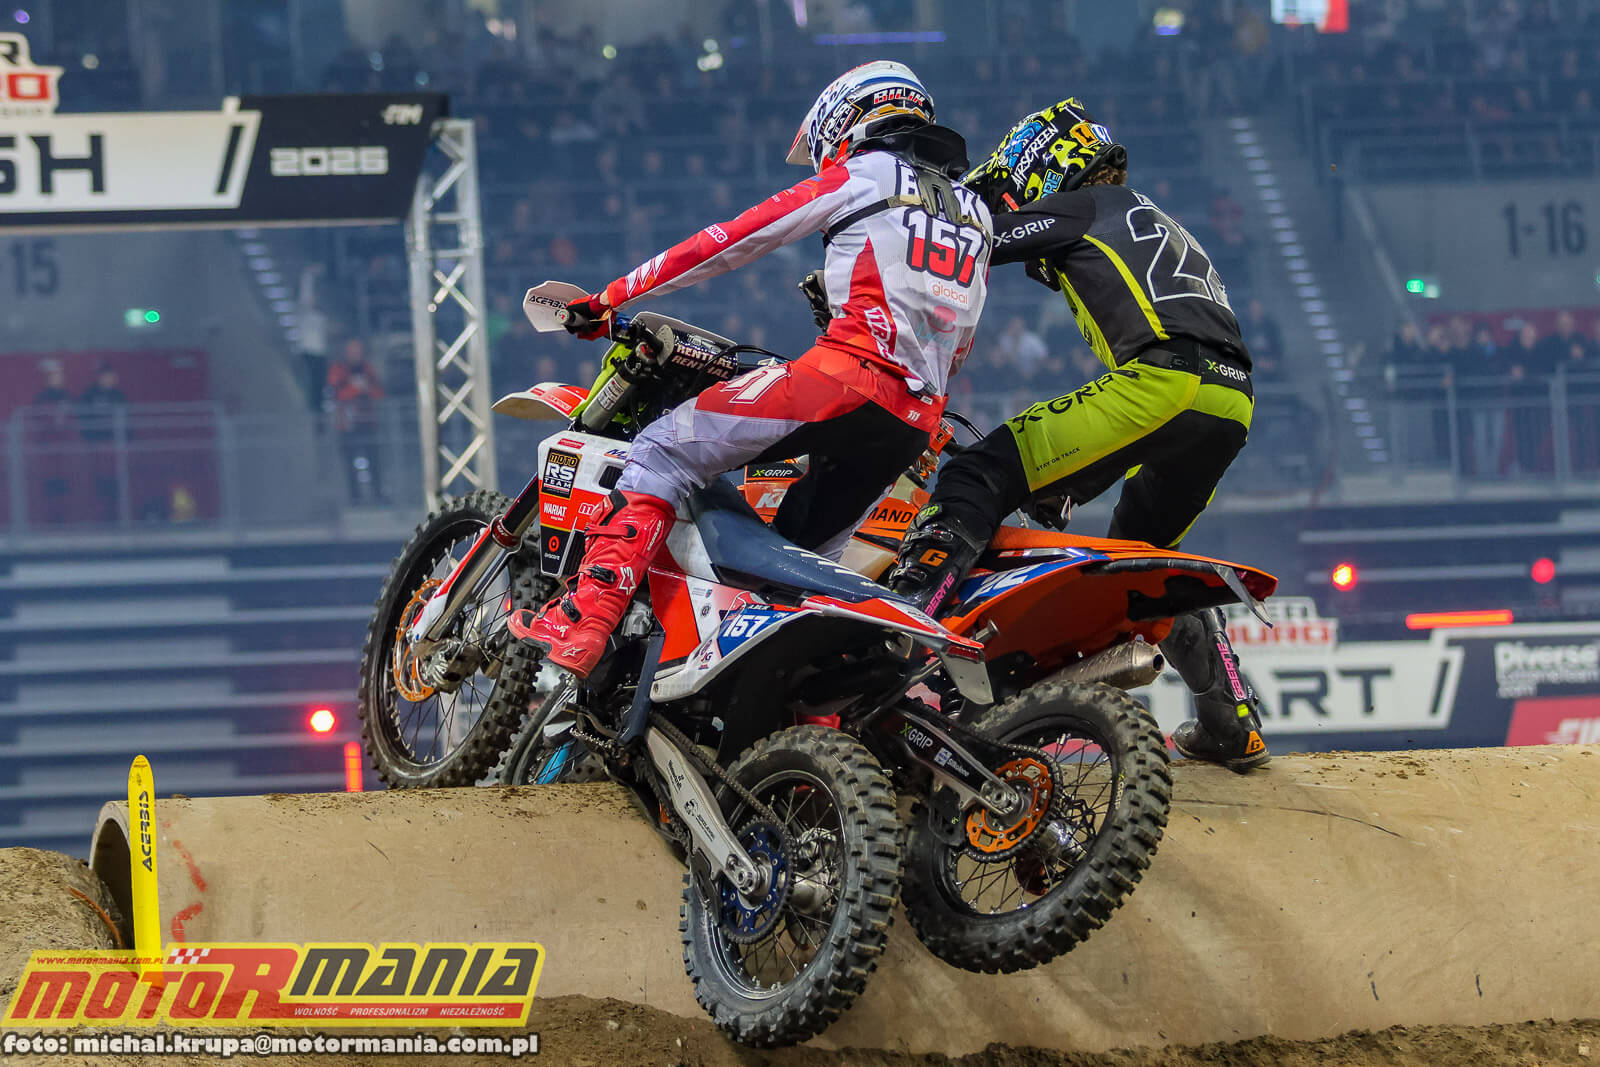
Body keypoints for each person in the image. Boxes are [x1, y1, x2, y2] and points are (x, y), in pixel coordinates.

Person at [509, 61, 993, 680]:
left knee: (660, 450)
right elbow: (958, 342)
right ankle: (790, 708)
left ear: (847, 119)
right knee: (793, 574)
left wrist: (611, 296)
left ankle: (584, 620)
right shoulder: (975, 212)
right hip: (913, 420)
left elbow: (732, 238)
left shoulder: (865, 173)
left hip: (842, 379)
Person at [885, 97, 1268, 773]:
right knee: (1140, 561)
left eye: (1011, 187)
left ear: (1043, 167)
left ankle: (905, 623)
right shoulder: (1145, 215)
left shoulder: (1082, 206)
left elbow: (975, 242)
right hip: (1231, 399)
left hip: (1166, 379)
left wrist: (878, 260)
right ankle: (1233, 722)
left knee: (979, 472)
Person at [327, 337, 387, 503]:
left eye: (358, 351)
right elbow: (337, 393)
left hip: (368, 423)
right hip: (346, 425)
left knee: (373, 460)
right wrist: (356, 389)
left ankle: (378, 494)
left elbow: (379, 392)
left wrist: (366, 389)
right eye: (352, 351)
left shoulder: (368, 369)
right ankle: (355, 498)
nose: (356, 354)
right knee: (349, 463)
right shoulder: (338, 370)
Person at [77, 363, 127, 522]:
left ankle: (117, 517)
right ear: (101, 377)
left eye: (113, 376)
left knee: (116, 480)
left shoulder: (118, 396)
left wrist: (125, 441)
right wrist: (90, 440)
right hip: (97, 445)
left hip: (115, 446)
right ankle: (100, 517)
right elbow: (83, 418)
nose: (111, 379)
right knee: (99, 481)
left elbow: (127, 421)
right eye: (108, 376)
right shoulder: (90, 395)